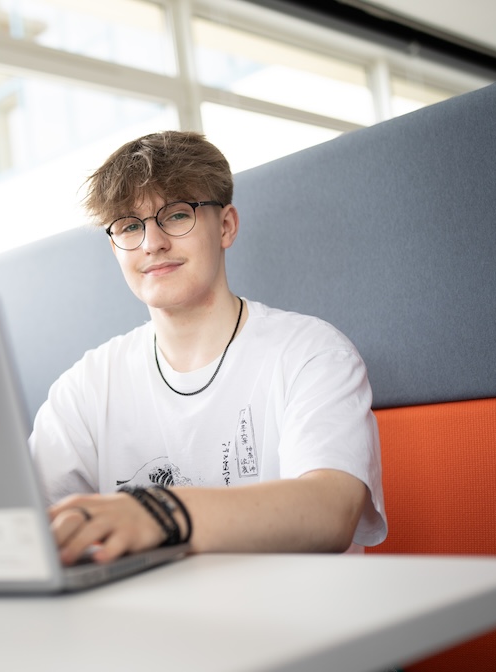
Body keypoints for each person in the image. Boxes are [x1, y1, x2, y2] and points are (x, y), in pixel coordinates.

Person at [28, 130, 387, 565]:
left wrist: (158, 514)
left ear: (226, 226)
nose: (152, 243)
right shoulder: (86, 386)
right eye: (129, 226)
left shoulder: (312, 353)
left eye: (177, 216)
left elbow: (330, 511)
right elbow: (26, 524)